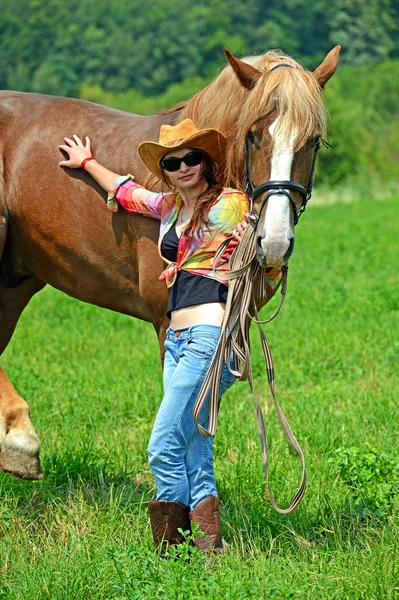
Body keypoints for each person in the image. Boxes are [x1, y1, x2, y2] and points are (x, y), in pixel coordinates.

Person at [59, 119, 279, 554]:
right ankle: (208, 550)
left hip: (208, 337)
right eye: (173, 162)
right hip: (176, 341)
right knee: (195, 448)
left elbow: (269, 243)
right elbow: (126, 194)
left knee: (162, 445)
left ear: (206, 161)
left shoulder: (232, 203)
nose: (183, 167)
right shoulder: (169, 207)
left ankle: (169, 551)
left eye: (191, 158)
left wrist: (254, 245)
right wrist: (87, 163)